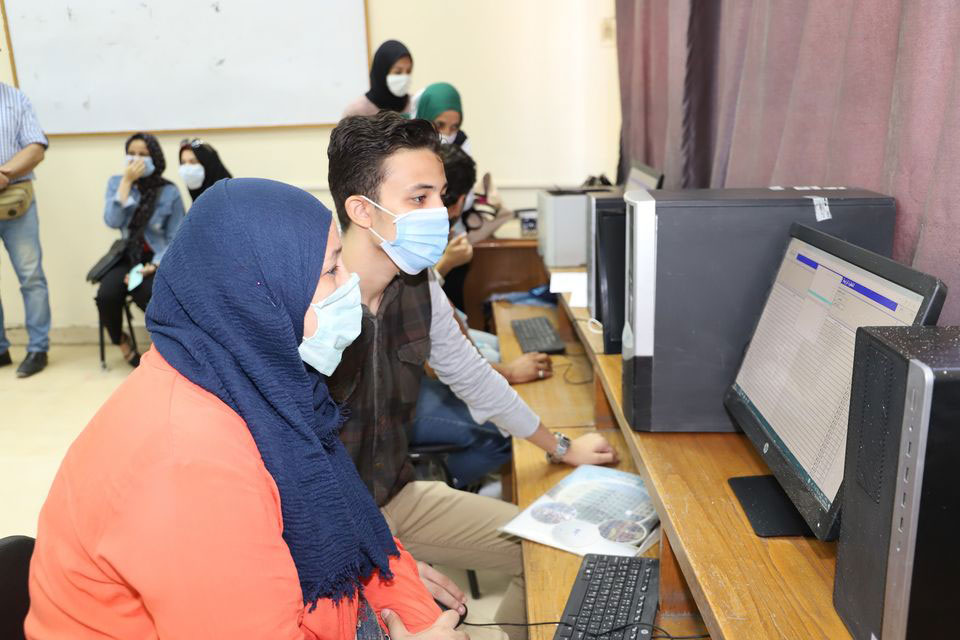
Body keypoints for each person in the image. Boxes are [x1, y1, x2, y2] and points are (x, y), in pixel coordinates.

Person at [27, 178, 463, 640]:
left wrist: (396, 585)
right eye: (332, 271)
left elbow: (338, 515)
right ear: (261, 298)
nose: (350, 288)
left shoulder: (247, 382)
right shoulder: (189, 463)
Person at [327, 112, 619, 640]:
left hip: (396, 496)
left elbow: (471, 375)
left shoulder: (417, 283)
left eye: (440, 195)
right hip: (333, 529)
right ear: (361, 211)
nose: (439, 212)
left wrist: (559, 446)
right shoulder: (309, 304)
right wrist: (382, 562)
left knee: (551, 550)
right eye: (419, 198)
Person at [98, 132, 185, 366]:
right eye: (131, 154)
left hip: (155, 257)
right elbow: (112, 221)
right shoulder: (117, 183)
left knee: (147, 295)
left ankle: (161, 349)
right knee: (106, 296)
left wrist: (154, 265)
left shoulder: (169, 191)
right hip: (126, 255)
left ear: (155, 158)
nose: (136, 159)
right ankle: (121, 341)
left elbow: (175, 237)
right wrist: (126, 183)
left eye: (143, 155)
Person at [0, 83, 51, 378]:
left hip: (16, 199)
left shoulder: (16, 99)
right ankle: (1, 349)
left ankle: (38, 348)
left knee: (31, 276)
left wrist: (4, 173)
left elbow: (35, 147)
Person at [342, 40, 414, 118]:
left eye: (408, 71)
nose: (405, 77)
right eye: (397, 72)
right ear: (381, 71)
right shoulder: (356, 112)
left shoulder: (415, 104)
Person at [178, 137, 232, 202]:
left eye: (193, 162)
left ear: (208, 165)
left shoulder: (229, 198)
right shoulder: (197, 200)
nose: (187, 168)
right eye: (183, 162)